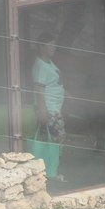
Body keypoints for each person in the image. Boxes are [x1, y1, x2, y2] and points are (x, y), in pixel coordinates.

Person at [32, 32, 67, 181]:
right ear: (41, 46)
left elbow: (53, 82)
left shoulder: (48, 63)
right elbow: (38, 90)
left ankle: (47, 172)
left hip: (53, 109)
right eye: (50, 44)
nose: (54, 47)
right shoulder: (40, 65)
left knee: (50, 141)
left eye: (54, 43)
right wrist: (43, 112)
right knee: (57, 140)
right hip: (49, 110)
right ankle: (51, 172)